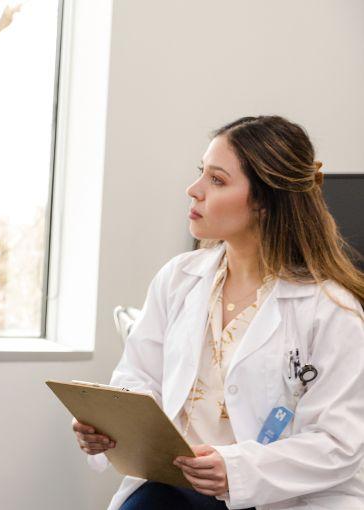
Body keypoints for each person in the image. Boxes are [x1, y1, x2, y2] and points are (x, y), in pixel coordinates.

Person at [72, 116, 364, 509]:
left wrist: (236, 468)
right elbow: (139, 377)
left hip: (284, 497)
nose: (194, 191)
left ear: (263, 200)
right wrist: (111, 425)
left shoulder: (331, 310)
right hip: (177, 488)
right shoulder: (178, 279)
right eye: (201, 174)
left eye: (217, 180)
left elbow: (338, 443)